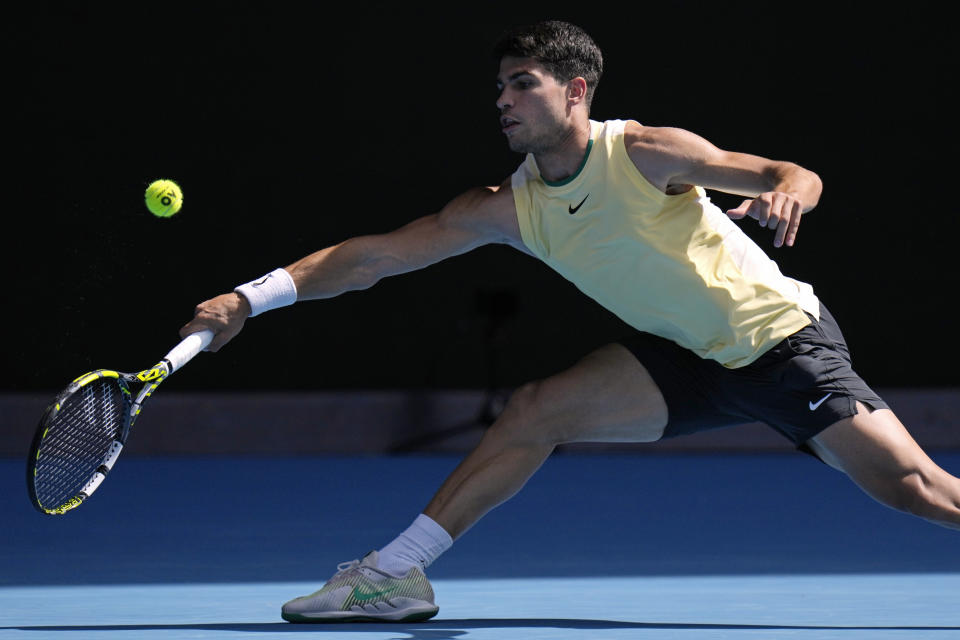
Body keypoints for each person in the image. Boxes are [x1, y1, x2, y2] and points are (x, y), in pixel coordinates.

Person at [180, 20, 960, 623]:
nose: (504, 102)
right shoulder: (509, 208)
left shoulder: (647, 153)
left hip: (781, 343)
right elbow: (374, 257)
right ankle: (392, 577)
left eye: (523, 85)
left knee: (918, 491)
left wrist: (789, 191)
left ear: (576, 90)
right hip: (686, 358)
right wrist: (250, 297)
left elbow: (789, 173)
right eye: (500, 90)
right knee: (534, 411)